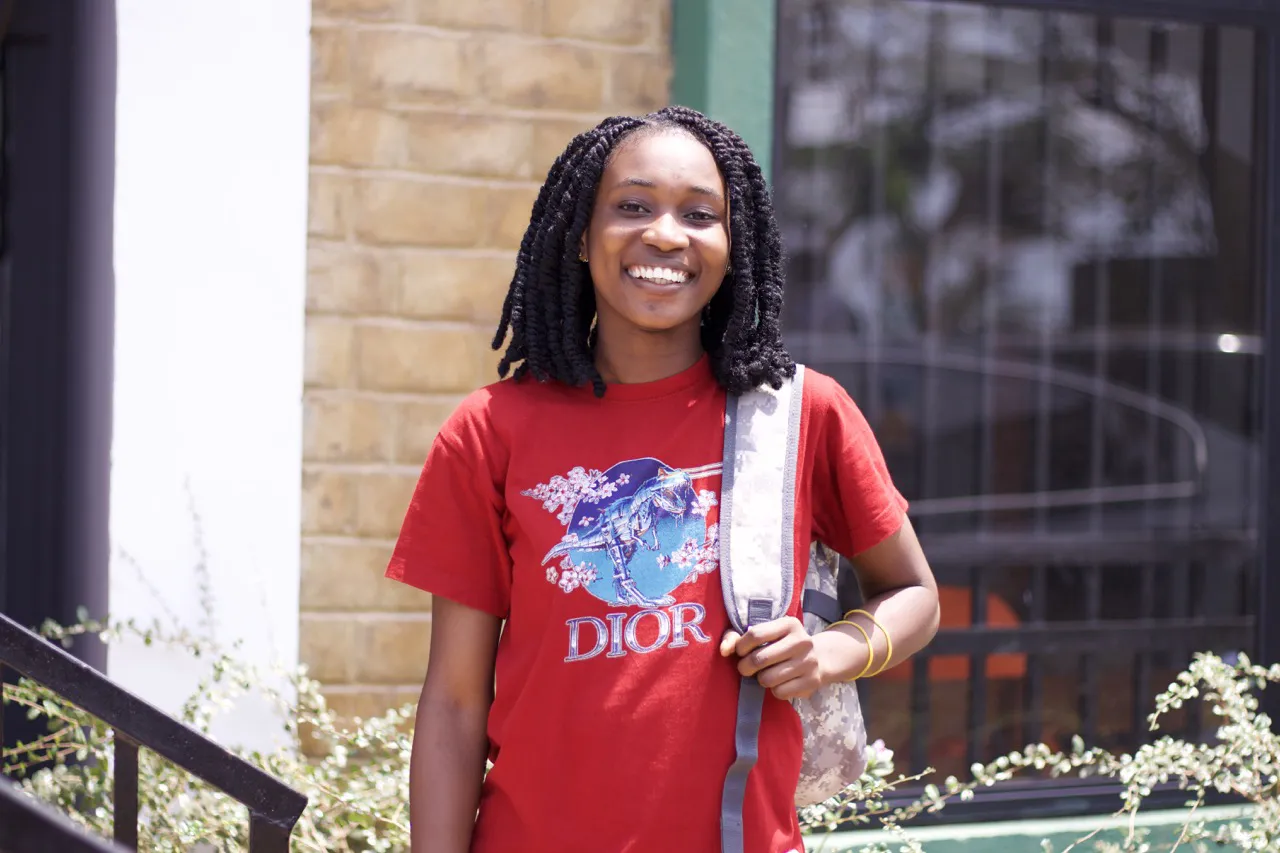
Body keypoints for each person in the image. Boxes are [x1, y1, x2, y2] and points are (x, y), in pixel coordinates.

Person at [385, 105, 940, 853]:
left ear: (733, 245)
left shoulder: (799, 416)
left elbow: (915, 593)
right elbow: (454, 703)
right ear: (582, 234)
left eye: (700, 214)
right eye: (634, 206)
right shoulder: (490, 432)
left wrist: (830, 654)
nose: (666, 235)